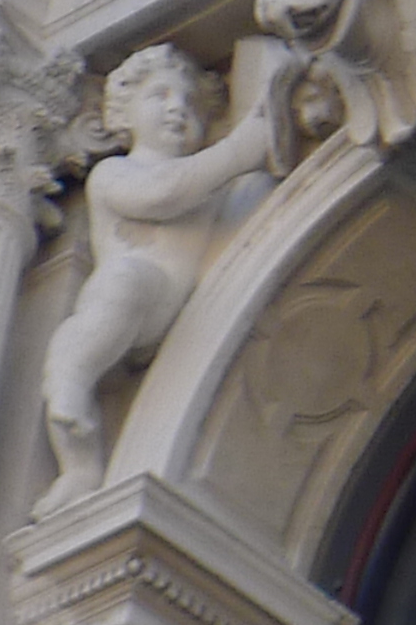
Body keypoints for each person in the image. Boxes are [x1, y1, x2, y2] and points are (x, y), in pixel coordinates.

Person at [35, 46, 282, 513]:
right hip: (139, 301)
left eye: (190, 103)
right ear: (121, 114)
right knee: (120, 284)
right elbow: (163, 194)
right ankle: (78, 453)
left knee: (256, 195)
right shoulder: (115, 171)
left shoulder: (210, 180)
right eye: (160, 96)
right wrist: (241, 149)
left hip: (196, 297)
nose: (177, 109)